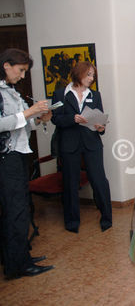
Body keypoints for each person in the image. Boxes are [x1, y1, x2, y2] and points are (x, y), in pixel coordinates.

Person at [0, 48, 54, 279]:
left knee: (20, 209)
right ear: (6, 65)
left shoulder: (12, 92)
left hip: (20, 154)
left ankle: (21, 256)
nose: (22, 76)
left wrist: (38, 119)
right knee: (15, 211)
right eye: (20, 71)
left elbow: (21, 124)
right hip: (7, 158)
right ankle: (16, 266)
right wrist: (30, 111)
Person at [51, 61, 112, 233]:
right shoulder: (60, 94)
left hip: (92, 142)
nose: (91, 79)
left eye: (93, 75)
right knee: (70, 183)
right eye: (89, 75)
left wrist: (101, 127)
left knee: (99, 180)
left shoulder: (95, 95)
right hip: (69, 144)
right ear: (78, 74)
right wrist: (73, 119)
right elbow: (56, 119)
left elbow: (100, 118)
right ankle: (72, 222)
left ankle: (107, 218)